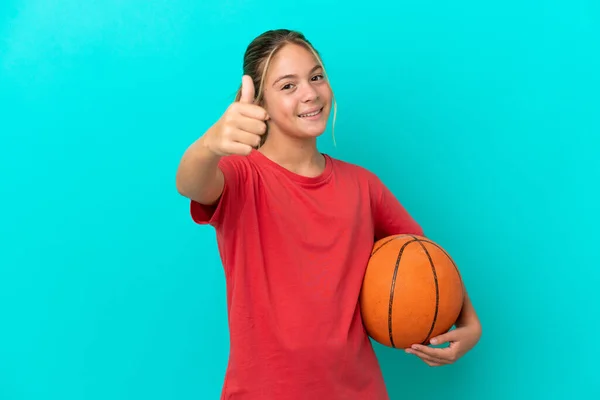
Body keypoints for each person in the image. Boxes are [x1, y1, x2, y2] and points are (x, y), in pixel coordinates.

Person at [176, 29, 482, 400]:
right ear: (261, 103)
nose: (309, 93)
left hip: (357, 389)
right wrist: (210, 145)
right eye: (288, 86)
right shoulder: (241, 177)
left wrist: (469, 323)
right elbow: (191, 184)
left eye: (316, 76)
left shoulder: (363, 186)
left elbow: (426, 259)